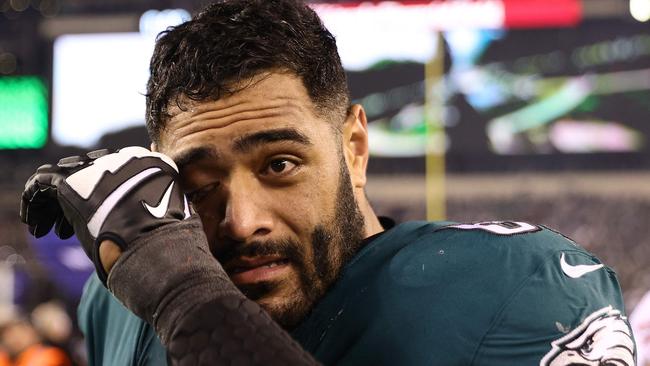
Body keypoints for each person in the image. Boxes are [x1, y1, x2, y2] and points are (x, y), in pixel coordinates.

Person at [20, 0, 635, 365]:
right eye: (199, 184)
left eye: (279, 165)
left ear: (354, 148)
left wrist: (187, 300)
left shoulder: (520, 291)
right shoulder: (121, 300)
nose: (242, 220)